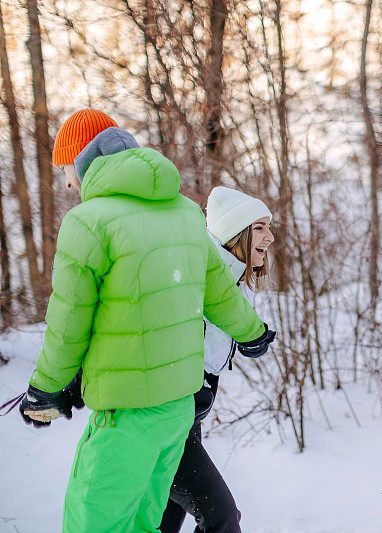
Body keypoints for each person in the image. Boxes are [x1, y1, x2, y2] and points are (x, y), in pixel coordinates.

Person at [18, 109, 275, 532]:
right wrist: (254, 333)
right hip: (177, 412)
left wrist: (45, 388)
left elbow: (69, 324)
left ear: (85, 163)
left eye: (66, 168)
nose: (66, 181)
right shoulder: (187, 215)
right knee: (146, 524)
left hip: (125, 415)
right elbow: (220, 293)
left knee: (94, 524)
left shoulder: (87, 222)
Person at [160, 186, 275, 533]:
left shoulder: (231, 277)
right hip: (170, 414)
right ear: (233, 234)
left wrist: (246, 340)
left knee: (164, 519)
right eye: (259, 228)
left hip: (189, 415)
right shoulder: (201, 274)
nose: (269, 237)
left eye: (269, 227)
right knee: (221, 517)